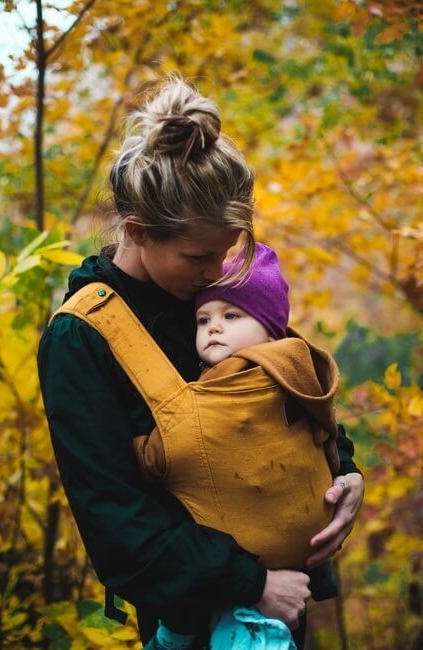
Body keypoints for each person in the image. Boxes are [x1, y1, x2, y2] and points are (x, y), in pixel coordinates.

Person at [37, 75, 364, 650]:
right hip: (192, 613)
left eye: (225, 252)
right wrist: (252, 583)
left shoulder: (209, 292)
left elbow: (289, 387)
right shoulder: (80, 338)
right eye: (199, 256)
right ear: (137, 231)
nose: (217, 272)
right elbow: (115, 520)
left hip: (289, 596)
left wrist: (347, 473)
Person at [131, 242, 342, 650]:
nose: (213, 327)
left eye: (231, 316)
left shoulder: (233, 377)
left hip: (242, 556)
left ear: (269, 328)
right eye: (203, 318)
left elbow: (180, 440)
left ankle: (174, 635)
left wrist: (141, 451)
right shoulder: (297, 373)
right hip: (295, 547)